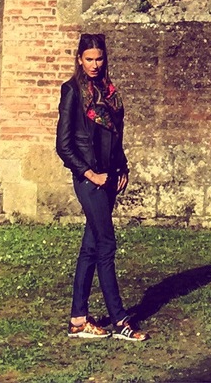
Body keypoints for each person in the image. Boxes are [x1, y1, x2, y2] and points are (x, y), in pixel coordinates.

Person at [57, 33, 147, 341]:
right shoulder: (72, 91)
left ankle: (78, 319)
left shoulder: (108, 92)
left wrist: (121, 167)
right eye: (89, 59)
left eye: (99, 59)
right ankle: (121, 320)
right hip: (89, 180)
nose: (95, 64)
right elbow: (64, 145)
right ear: (79, 60)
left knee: (91, 247)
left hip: (109, 176)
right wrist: (89, 174)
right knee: (107, 245)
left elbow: (115, 136)